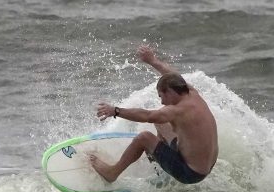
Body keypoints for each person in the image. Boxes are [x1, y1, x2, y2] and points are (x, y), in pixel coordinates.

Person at [89, 45, 218, 184]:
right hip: (206, 165)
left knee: (144, 137)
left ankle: (112, 173)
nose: (162, 102)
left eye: (161, 96)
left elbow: (148, 116)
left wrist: (115, 111)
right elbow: (174, 76)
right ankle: (160, 168)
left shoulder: (177, 111)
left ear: (169, 92)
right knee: (161, 123)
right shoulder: (191, 92)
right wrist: (152, 60)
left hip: (190, 173)